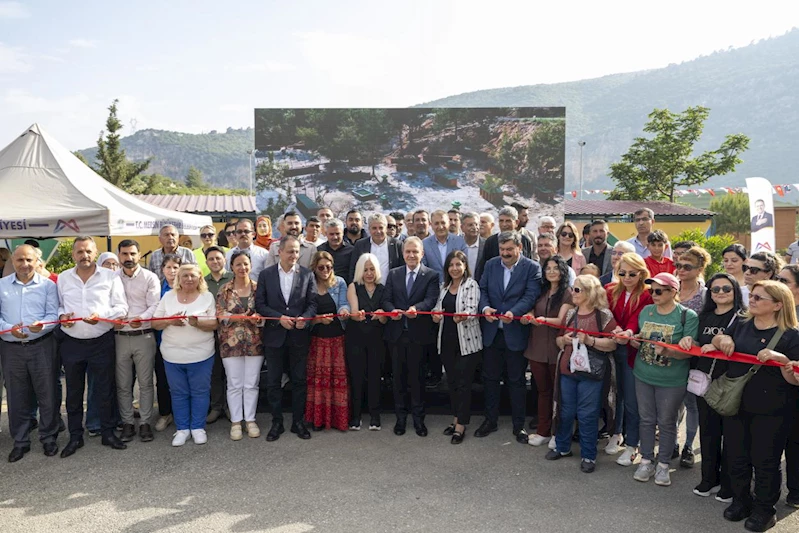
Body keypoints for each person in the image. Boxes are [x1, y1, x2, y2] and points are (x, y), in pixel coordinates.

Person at [712, 280, 799, 530]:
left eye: (759, 297)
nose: (752, 299)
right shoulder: (741, 323)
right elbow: (719, 338)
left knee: (765, 461)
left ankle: (764, 509)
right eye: (752, 295)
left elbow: (794, 379)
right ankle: (741, 501)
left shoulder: (792, 335)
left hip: (773, 410)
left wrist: (783, 360)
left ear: (777, 305)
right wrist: (722, 340)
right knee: (736, 457)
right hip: (737, 404)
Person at [58, 237, 129, 458]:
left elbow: (121, 308)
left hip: (101, 341)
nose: (84, 255)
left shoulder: (110, 276)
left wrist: (102, 317)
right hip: (72, 342)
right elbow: (59, 305)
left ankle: (108, 433)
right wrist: (62, 316)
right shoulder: (63, 278)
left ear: (95, 253)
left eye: (88, 251)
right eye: (79, 251)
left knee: (104, 389)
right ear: (73, 255)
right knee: (74, 392)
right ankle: (75, 436)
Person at [678, 273, 745, 502]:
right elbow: (697, 343)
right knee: (708, 434)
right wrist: (690, 342)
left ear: (735, 290)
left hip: (729, 385)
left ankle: (727, 485)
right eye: (715, 289)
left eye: (726, 289)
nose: (720, 293)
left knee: (731, 437)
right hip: (703, 383)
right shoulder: (704, 316)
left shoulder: (743, 319)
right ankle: (708, 478)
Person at [629, 272, 698, 487]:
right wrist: (634, 340)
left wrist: (668, 352)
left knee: (667, 422)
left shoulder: (687, 316)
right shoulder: (646, 311)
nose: (654, 294)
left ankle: (664, 464)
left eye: (659, 290)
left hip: (672, 379)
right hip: (643, 374)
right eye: (652, 290)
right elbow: (640, 340)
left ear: (673, 292)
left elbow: (689, 352)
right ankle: (647, 460)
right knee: (646, 419)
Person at [475, 231, 541, 443]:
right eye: (502, 250)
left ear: (519, 248)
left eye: (509, 250)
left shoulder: (532, 267)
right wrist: (484, 307)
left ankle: (518, 425)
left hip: (515, 332)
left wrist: (515, 311)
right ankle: (490, 420)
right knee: (490, 379)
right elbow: (482, 289)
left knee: (517, 381)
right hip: (492, 333)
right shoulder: (491, 264)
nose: (505, 254)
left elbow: (531, 295)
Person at [548, 275, 618, 473]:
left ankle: (589, 455)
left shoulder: (603, 315)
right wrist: (564, 340)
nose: (572, 292)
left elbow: (613, 343)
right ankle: (562, 448)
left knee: (587, 415)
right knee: (565, 410)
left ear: (590, 292)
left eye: (577, 289)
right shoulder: (571, 313)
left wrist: (591, 341)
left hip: (591, 374)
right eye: (573, 288)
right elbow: (558, 340)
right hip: (567, 370)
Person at [255, 236, 318, 442]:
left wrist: (305, 319)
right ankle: (277, 422)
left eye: (297, 252)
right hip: (275, 336)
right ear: (279, 252)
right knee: (273, 382)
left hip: (299, 336)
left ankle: (298, 422)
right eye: (290, 251)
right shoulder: (266, 275)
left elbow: (312, 303)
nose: (294, 255)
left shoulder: (307, 274)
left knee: (299, 381)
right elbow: (260, 305)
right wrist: (278, 318)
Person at [0, 245, 60, 461]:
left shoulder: (47, 286)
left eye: (29, 260)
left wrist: (42, 325)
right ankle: (21, 441)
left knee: (47, 393)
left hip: (41, 345)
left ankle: (49, 437)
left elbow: (54, 315)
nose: (24, 265)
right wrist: (8, 328)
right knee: (16, 396)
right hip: (11, 349)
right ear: (12, 262)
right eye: (19, 260)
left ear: (37, 262)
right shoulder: (1, 285)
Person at [152, 264, 217, 446]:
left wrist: (198, 324)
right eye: (185, 276)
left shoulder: (207, 297)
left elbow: (214, 324)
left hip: (201, 354)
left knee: (200, 392)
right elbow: (155, 323)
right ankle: (182, 429)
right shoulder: (168, 297)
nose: (189, 279)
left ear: (200, 278)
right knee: (179, 393)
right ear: (179, 279)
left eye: (193, 276)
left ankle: (197, 427)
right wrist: (170, 321)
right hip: (172, 354)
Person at [381, 236, 440, 437]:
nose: (411, 255)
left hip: (418, 335)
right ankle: (400, 419)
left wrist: (418, 308)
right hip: (396, 334)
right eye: (408, 252)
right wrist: (392, 310)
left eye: (415, 251)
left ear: (422, 253)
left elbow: (431, 299)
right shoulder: (393, 274)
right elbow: (386, 299)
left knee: (417, 379)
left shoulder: (431, 275)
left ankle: (418, 419)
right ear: (403, 254)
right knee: (398, 379)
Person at [522, 255, 574, 447]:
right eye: (548, 268)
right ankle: (543, 431)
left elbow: (562, 320)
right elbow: (533, 311)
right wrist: (530, 315)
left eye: (556, 268)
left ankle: (558, 434)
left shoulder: (568, 293)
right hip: (536, 348)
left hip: (556, 349)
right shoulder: (541, 291)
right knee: (543, 392)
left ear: (563, 271)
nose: (551, 271)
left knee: (559, 394)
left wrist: (541, 320)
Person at [431, 251, 482, 444]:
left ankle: (461, 425)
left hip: (466, 343)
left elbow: (472, 309)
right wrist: (436, 315)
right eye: (451, 265)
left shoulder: (471, 284)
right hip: (446, 341)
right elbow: (438, 308)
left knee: (463, 384)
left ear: (464, 266)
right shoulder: (444, 287)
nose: (454, 268)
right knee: (451, 383)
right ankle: (456, 418)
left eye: (458, 265)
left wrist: (464, 315)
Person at [607, 253, 653, 465]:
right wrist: (615, 327)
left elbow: (639, 318)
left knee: (632, 401)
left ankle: (632, 444)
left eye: (631, 274)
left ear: (641, 273)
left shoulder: (647, 294)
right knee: (615, 396)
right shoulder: (610, 290)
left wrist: (627, 332)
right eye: (622, 273)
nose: (626, 277)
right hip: (611, 348)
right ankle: (615, 433)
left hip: (633, 352)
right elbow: (606, 313)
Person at [115, 239, 160, 444]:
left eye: (133, 254)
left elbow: (154, 305)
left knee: (146, 383)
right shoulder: (112, 278)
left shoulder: (150, 277)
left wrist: (140, 319)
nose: (129, 258)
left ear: (139, 254)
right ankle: (127, 423)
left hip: (143, 335)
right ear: (119, 255)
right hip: (119, 337)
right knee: (123, 384)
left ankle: (145, 423)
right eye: (124, 254)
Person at [216, 251, 264, 440]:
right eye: (238, 264)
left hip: (255, 342)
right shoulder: (224, 289)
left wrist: (258, 319)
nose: (242, 268)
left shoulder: (259, 288)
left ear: (250, 266)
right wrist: (240, 317)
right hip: (230, 343)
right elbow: (219, 314)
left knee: (251, 383)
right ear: (232, 267)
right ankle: (236, 422)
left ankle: (250, 420)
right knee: (234, 384)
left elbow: (265, 312)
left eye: (245, 264)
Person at [306, 251, 350, 431]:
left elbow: (343, 303)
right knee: (318, 381)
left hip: (336, 339)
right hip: (316, 340)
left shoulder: (339, 282)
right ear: (314, 268)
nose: (325, 271)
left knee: (336, 380)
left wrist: (344, 311)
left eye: (329, 267)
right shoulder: (309, 284)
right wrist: (317, 319)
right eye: (321, 267)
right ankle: (318, 420)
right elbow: (305, 311)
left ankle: (337, 420)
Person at [347, 253, 388, 430]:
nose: (369, 273)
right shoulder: (353, 286)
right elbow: (354, 312)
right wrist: (358, 314)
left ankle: (375, 415)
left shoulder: (383, 289)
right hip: (356, 338)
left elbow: (386, 318)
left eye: (372, 269)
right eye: (365, 270)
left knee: (374, 377)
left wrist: (382, 315)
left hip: (376, 339)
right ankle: (355, 416)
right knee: (356, 377)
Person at [204, 246, 234, 424]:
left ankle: (231, 407)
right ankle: (216, 406)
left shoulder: (233, 278)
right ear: (206, 262)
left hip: (232, 332)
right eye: (211, 259)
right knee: (215, 371)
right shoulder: (202, 281)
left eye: (218, 258)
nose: (215, 262)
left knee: (231, 371)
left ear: (224, 260)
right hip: (211, 331)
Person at [778, 265, 799, 508]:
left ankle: (795, 490)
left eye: (785, 280)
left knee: (795, 444)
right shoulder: (773, 310)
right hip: (773, 389)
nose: (779, 283)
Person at [154, 254, 182, 433]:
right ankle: (165, 413)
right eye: (168, 267)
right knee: (162, 380)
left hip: (183, 342)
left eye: (175, 267)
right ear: (162, 269)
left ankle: (182, 414)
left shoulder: (187, 288)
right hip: (161, 341)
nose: (172, 271)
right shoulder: (156, 289)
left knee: (181, 382)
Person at [476, 206, 533, 281]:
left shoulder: (525, 240)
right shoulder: (491, 241)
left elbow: (529, 266)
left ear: (516, 222)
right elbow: (483, 268)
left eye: (508, 221)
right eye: (501, 221)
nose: (504, 224)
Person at [349, 213, 404, 284]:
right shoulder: (360, 245)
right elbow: (353, 270)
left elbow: (402, 269)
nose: (378, 231)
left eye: (381, 228)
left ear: (386, 228)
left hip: (391, 290)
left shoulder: (397, 245)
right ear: (369, 229)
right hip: (367, 290)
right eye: (374, 228)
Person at [423, 210, 468, 278]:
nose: (440, 227)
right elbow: (424, 269)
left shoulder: (460, 242)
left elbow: (464, 266)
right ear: (431, 225)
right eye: (436, 223)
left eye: (443, 223)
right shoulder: (424, 244)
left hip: (456, 285)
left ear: (449, 223)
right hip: (433, 285)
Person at [318, 219, 354, 284]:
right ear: (326, 234)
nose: (335, 237)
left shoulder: (352, 251)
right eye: (331, 234)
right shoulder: (319, 250)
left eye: (337, 234)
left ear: (343, 233)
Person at [460, 212, 484, 277]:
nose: (474, 227)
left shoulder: (486, 245)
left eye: (476, 224)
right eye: (470, 225)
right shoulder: (456, 244)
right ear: (462, 227)